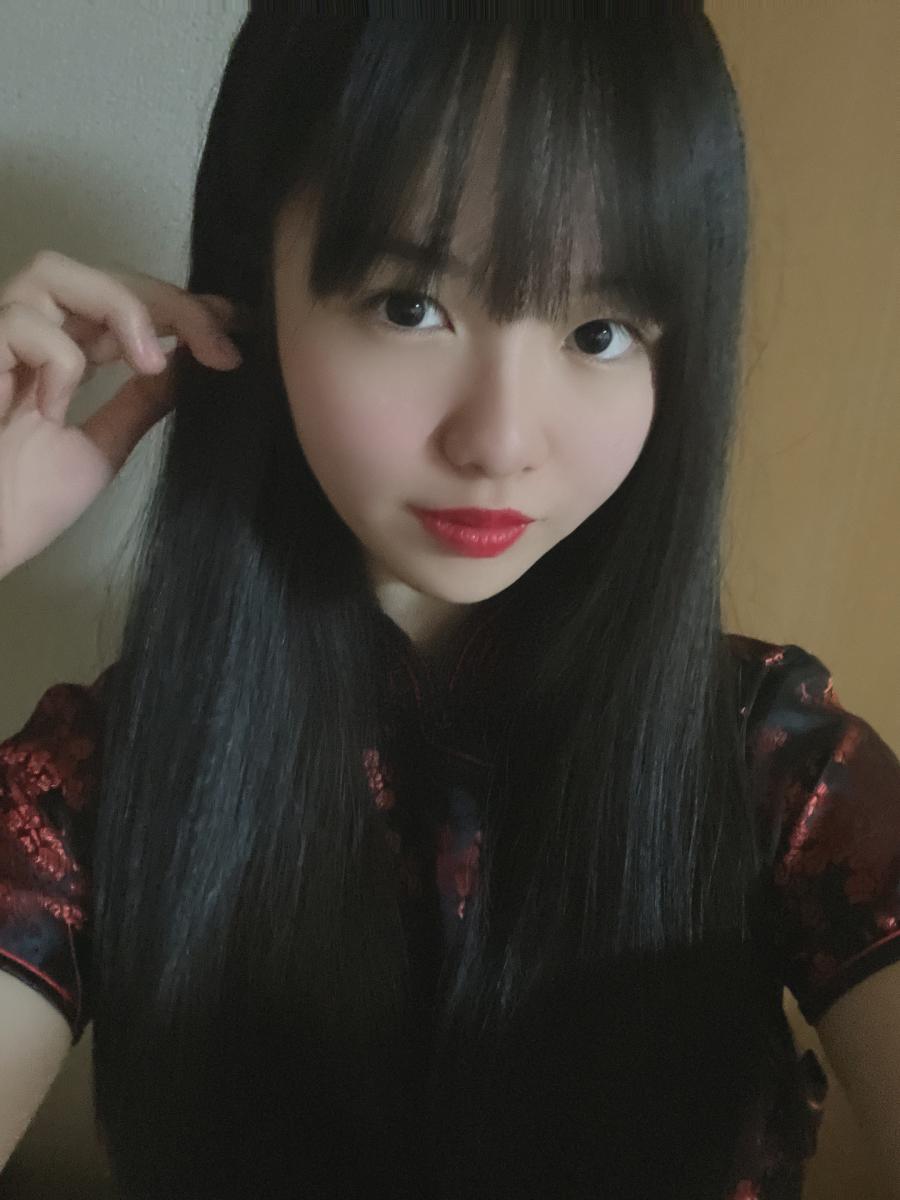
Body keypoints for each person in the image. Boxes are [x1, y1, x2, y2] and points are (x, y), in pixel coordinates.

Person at [0, 13, 897, 1200]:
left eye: (599, 331)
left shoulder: (776, 766)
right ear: (253, 286)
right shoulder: (106, 778)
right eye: (410, 305)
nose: (500, 442)